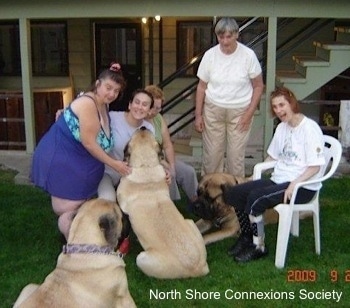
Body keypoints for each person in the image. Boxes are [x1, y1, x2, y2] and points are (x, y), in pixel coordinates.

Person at [222, 87, 326, 263]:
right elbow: (273, 156)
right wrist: (253, 176)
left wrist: (294, 184)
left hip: (302, 186)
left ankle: (259, 246)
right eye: (275, 106)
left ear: (291, 103)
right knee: (235, 193)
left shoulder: (309, 128)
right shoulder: (282, 128)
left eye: (282, 105)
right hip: (279, 180)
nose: (278, 110)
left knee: (256, 198)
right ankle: (247, 237)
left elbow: (315, 166)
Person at [31, 62, 128, 240]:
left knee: (80, 205)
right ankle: (78, 244)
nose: (112, 94)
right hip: (63, 158)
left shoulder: (103, 105)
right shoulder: (88, 103)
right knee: (66, 208)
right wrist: (115, 164)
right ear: (97, 84)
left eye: (116, 91)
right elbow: (90, 144)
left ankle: (81, 236)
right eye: (108, 87)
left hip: (81, 161)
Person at [195, 17, 264, 177]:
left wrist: (249, 114)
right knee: (212, 157)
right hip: (213, 110)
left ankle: (234, 197)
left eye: (229, 36)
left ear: (236, 35)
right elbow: (201, 87)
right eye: (221, 37)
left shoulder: (248, 55)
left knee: (235, 158)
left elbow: (258, 86)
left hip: (240, 112)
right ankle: (210, 195)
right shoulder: (210, 55)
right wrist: (198, 115)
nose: (225, 41)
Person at [97, 89, 155, 201]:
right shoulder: (112, 118)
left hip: (132, 176)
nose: (139, 107)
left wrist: (165, 170)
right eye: (137, 102)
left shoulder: (149, 129)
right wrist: (65, 110)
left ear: (149, 111)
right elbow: (87, 116)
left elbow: (150, 157)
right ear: (129, 105)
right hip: (107, 172)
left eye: (145, 104)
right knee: (108, 200)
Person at [145, 85, 198, 202]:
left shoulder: (158, 118)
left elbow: (167, 145)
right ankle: (173, 205)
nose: (155, 111)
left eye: (159, 108)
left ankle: (196, 203)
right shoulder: (139, 119)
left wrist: (172, 165)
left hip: (162, 157)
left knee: (188, 171)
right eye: (153, 107)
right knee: (168, 174)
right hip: (149, 162)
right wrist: (168, 166)